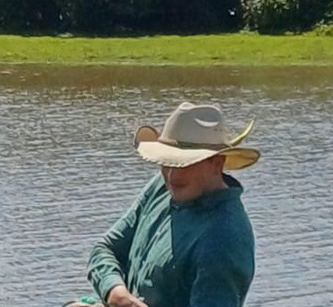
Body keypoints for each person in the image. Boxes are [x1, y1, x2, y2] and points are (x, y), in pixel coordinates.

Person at [65, 102, 260, 307]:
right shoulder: (162, 186)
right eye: (167, 163)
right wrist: (115, 293)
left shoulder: (224, 239)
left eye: (184, 164)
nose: (172, 176)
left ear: (216, 164)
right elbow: (105, 250)